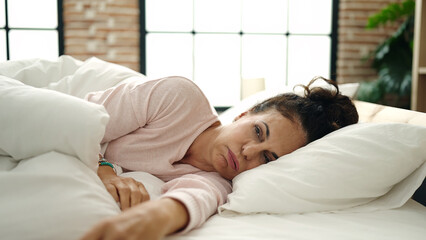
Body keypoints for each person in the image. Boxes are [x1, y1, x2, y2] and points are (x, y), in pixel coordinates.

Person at [81, 75, 359, 240]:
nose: (248, 152)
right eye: (258, 131)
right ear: (244, 114)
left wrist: (145, 222)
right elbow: (83, 118)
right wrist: (104, 168)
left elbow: (189, 202)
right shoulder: (178, 97)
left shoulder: (220, 182)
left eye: (268, 158)